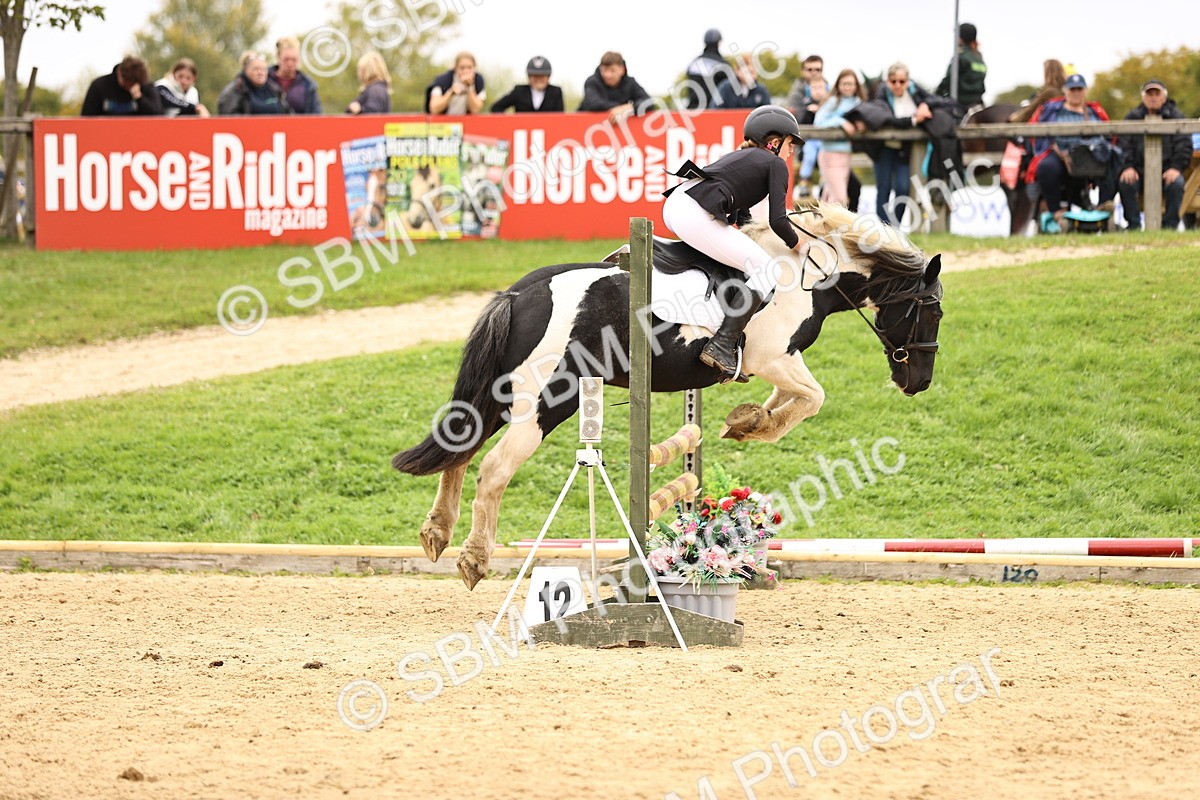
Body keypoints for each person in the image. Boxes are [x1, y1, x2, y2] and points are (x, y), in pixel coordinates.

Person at [661, 105, 806, 383]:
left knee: (745, 260)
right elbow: (778, 220)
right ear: (774, 142)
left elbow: (742, 216)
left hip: (680, 205)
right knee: (768, 270)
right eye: (790, 143)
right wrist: (800, 244)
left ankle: (724, 336)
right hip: (693, 211)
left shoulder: (746, 157)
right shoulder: (774, 163)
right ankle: (722, 345)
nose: (791, 151)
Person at [1024, 73, 1116, 233]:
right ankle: (1055, 211)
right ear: (1065, 91)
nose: (1076, 93)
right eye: (1072, 89)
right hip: (1061, 154)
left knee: (1114, 156)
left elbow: (1108, 135)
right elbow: (1037, 133)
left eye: (1079, 89)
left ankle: (1103, 204)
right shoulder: (1052, 110)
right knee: (1046, 166)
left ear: (1085, 90)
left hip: (1090, 155)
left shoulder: (1094, 111)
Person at [1116, 79, 1190, 231]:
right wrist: (1128, 166)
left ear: (1164, 97)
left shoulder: (1177, 117)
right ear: (1143, 97)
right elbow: (1123, 144)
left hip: (1167, 170)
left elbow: (1184, 145)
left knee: (1177, 184)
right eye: (1149, 94)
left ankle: (1170, 227)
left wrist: (1176, 168)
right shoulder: (1132, 117)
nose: (1153, 97)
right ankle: (1134, 226)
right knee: (1125, 183)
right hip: (1139, 170)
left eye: (1157, 94)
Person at [867, 62, 934, 225]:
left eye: (902, 81)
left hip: (903, 150)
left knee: (903, 188)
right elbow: (887, 119)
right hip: (883, 149)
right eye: (893, 81)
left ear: (908, 81)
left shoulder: (915, 92)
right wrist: (912, 120)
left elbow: (936, 99)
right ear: (887, 81)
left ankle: (894, 228)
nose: (897, 85)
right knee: (884, 188)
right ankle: (884, 229)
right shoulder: (881, 94)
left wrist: (925, 105)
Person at [812, 69, 865, 206]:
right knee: (840, 199)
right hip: (830, 153)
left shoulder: (858, 102)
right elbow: (818, 122)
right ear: (838, 85)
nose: (848, 87)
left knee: (829, 197)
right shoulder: (833, 101)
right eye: (844, 84)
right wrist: (841, 122)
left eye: (851, 84)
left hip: (846, 154)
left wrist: (861, 125)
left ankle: (822, 220)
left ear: (856, 85)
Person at [786, 55, 830, 198]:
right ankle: (804, 183)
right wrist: (809, 110)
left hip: (827, 144)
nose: (814, 73)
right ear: (803, 71)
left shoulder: (830, 93)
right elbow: (795, 121)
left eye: (818, 69)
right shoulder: (797, 94)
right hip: (803, 145)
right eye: (810, 69)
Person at [578, 51, 652, 123]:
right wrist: (621, 108)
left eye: (612, 71)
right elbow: (593, 104)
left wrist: (630, 108)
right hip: (585, 125)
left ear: (622, 70)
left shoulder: (630, 83)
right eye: (604, 70)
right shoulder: (592, 82)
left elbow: (648, 102)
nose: (607, 75)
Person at [81, 56, 162, 116]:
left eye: (133, 84)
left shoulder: (146, 86)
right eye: (127, 83)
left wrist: (139, 98)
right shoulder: (99, 86)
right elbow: (87, 118)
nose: (129, 87)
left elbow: (157, 115)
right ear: (119, 73)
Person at [936, 22, 987, 118]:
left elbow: (948, 79)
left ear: (960, 38)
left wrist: (935, 95)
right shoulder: (979, 57)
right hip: (978, 103)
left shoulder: (960, 56)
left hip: (961, 105)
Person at [217, 51, 291, 115]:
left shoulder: (274, 89)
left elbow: (288, 113)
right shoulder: (236, 90)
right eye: (256, 69)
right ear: (245, 70)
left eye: (263, 69)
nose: (260, 73)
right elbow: (229, 117)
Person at [682, 28, 734, 110]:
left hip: (693, 110)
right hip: (714, 111)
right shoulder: (723, 65)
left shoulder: (693, 63)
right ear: (719, 43)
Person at [490, 56, 564, 113]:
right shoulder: (519, 91)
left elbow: (560, 117)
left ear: (548, 77)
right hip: (521, 128)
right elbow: (496, 108)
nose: (538, 79)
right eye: (535, 75)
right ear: (529, 77)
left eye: (542, 75)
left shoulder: (556, 92)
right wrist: (510, 123)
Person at [270, 35, 322, 114]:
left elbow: (315, 114)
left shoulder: (308, 85)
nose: (290, 63)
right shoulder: (265, 80)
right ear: (278, 58)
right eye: (286, 59)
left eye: (294, 60)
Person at [1009, 59, 1067, 123]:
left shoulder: (1049, 92)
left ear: (1047, 73)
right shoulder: (1067, 90)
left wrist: (1013, 119)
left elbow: (1030, 111)